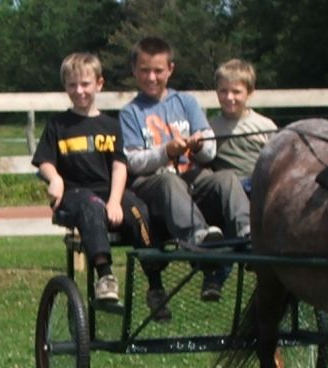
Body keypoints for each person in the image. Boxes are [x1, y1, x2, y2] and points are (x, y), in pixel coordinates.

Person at [32, 52, 166, 315]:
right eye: (72, 85)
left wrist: (116, 200)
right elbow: (45, 160)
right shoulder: (58, 125)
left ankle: (155, 285)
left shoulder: (111, 125)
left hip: (108, 191)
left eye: (85, 84)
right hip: (74, 195)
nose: (79, 91)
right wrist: (54, 178)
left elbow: (119, 166)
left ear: (99, 84)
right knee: (92, 206)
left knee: (138, 210)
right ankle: (105, 276)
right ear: (65, 87)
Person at [119, 37, 251, 303]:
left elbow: (209, 149)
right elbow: (133, 162)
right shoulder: (130, 112)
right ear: (134, 70)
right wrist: (166, 152)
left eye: (158, 70)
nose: (152, 77)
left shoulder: (186, 103)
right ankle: (198, 239)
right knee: (170, 182)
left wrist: (200, 145)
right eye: (145, 70)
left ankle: (248, 232)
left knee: (224, 178)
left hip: (192, 177)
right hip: (152, 185)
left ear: (171, 69)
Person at [209, 58, 277, 194]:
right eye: (223, 91)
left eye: (236, 92)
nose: (229, 97)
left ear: (250, 92)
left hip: (258, 187)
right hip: (226, 189)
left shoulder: (265, 125)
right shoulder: (210, 127)